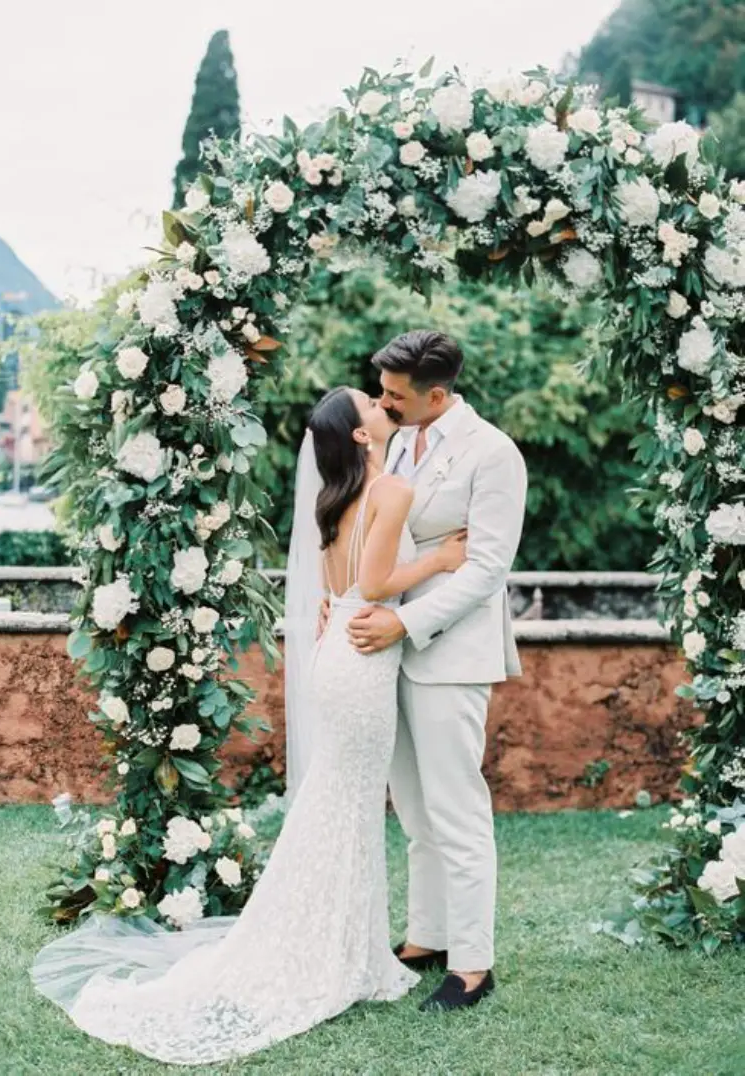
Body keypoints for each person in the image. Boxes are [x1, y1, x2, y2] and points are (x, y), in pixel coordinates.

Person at [31, 384, 467, 1067]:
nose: (385, 409)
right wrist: (442, 561)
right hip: (362, 662)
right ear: (359, 435)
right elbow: (379, 583)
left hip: (338, 653)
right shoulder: (389, 492)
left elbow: (341, 585)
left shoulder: (338, 497)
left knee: (341, 805)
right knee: (347, 807)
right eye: (373, 407)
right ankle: (336, 954)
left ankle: (347, 947)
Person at [343, 329, 528, 1013]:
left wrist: (407, 620)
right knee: (414, 809)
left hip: (450, 654)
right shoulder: (399, 439)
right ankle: (426, 937)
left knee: (456, 810)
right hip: (388, 652)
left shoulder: (493, 454)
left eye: (396, 395)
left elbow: (485, 568)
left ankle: (473, 966)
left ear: (438, 395)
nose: (384, 404)